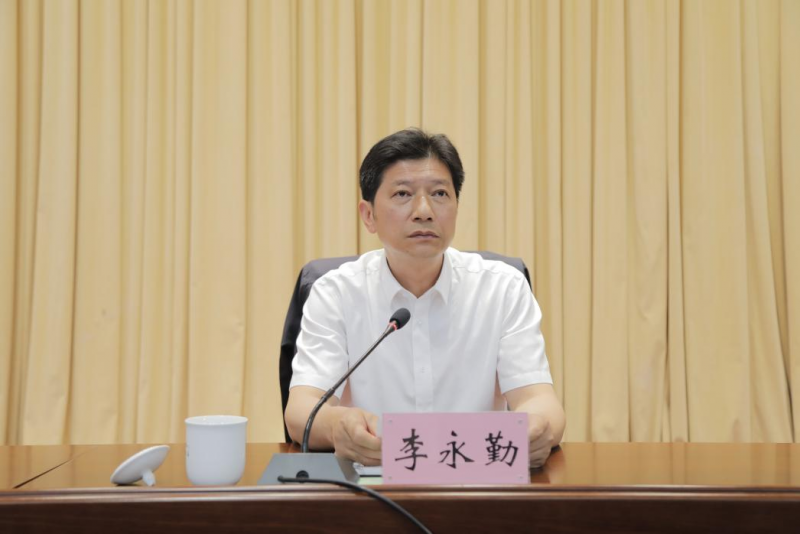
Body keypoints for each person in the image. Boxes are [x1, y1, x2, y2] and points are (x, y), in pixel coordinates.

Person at [284, 128, 565, 468]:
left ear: (456, 207)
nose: (424, 210)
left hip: (475, 481)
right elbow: (302, 410)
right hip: (371, 482)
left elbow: (539, 400)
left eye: (440, 193)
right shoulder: (335, 293)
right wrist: (338, 426)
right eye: (403, 194)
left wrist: (537, 428)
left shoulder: (502, 289)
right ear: (368, 215)